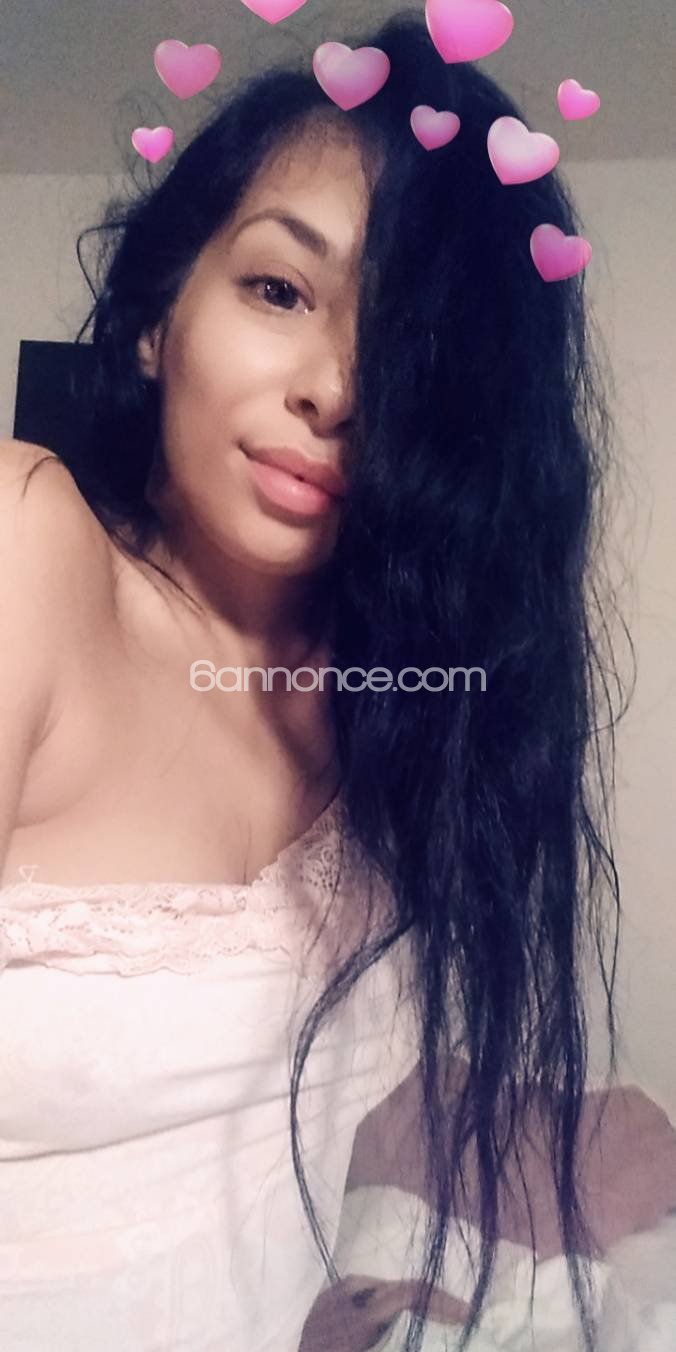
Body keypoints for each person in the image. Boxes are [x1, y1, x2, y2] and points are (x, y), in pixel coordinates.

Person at [0, 9, 627, 1351]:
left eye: (409, 347)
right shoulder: (25, 544)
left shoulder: (407, 704)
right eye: (280, 291)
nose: (338, 388)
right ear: (159, 317)